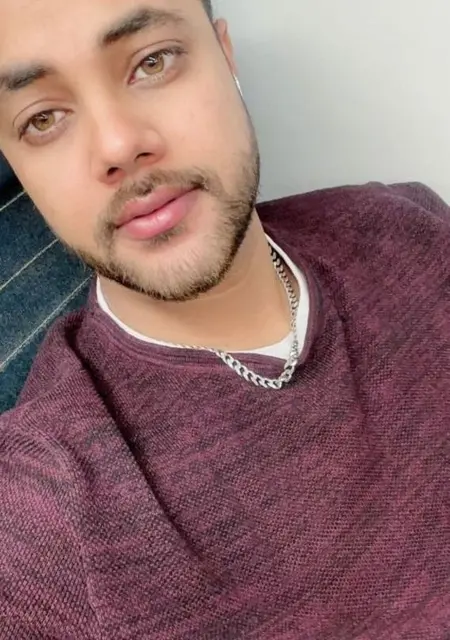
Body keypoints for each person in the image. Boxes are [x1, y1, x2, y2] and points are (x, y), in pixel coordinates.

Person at [0, 0, 449, 637]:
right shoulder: (36, 522)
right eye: (42, 119)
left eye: (152, 62)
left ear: (226, 56)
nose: (119, 145)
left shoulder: (407, 228)